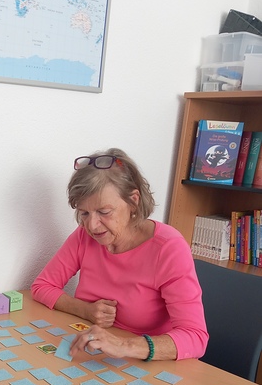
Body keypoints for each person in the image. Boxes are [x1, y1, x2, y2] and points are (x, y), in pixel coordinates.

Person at [31, 148, 208, 362]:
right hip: (93, 354)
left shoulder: (169, 248)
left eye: (104, 212)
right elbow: (42, 286)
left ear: (133, 201)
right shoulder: (84, 235)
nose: (92, 225)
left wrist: (124, 345)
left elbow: (195, 338)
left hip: (145, 363)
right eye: (84, 213)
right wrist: (86, 310)